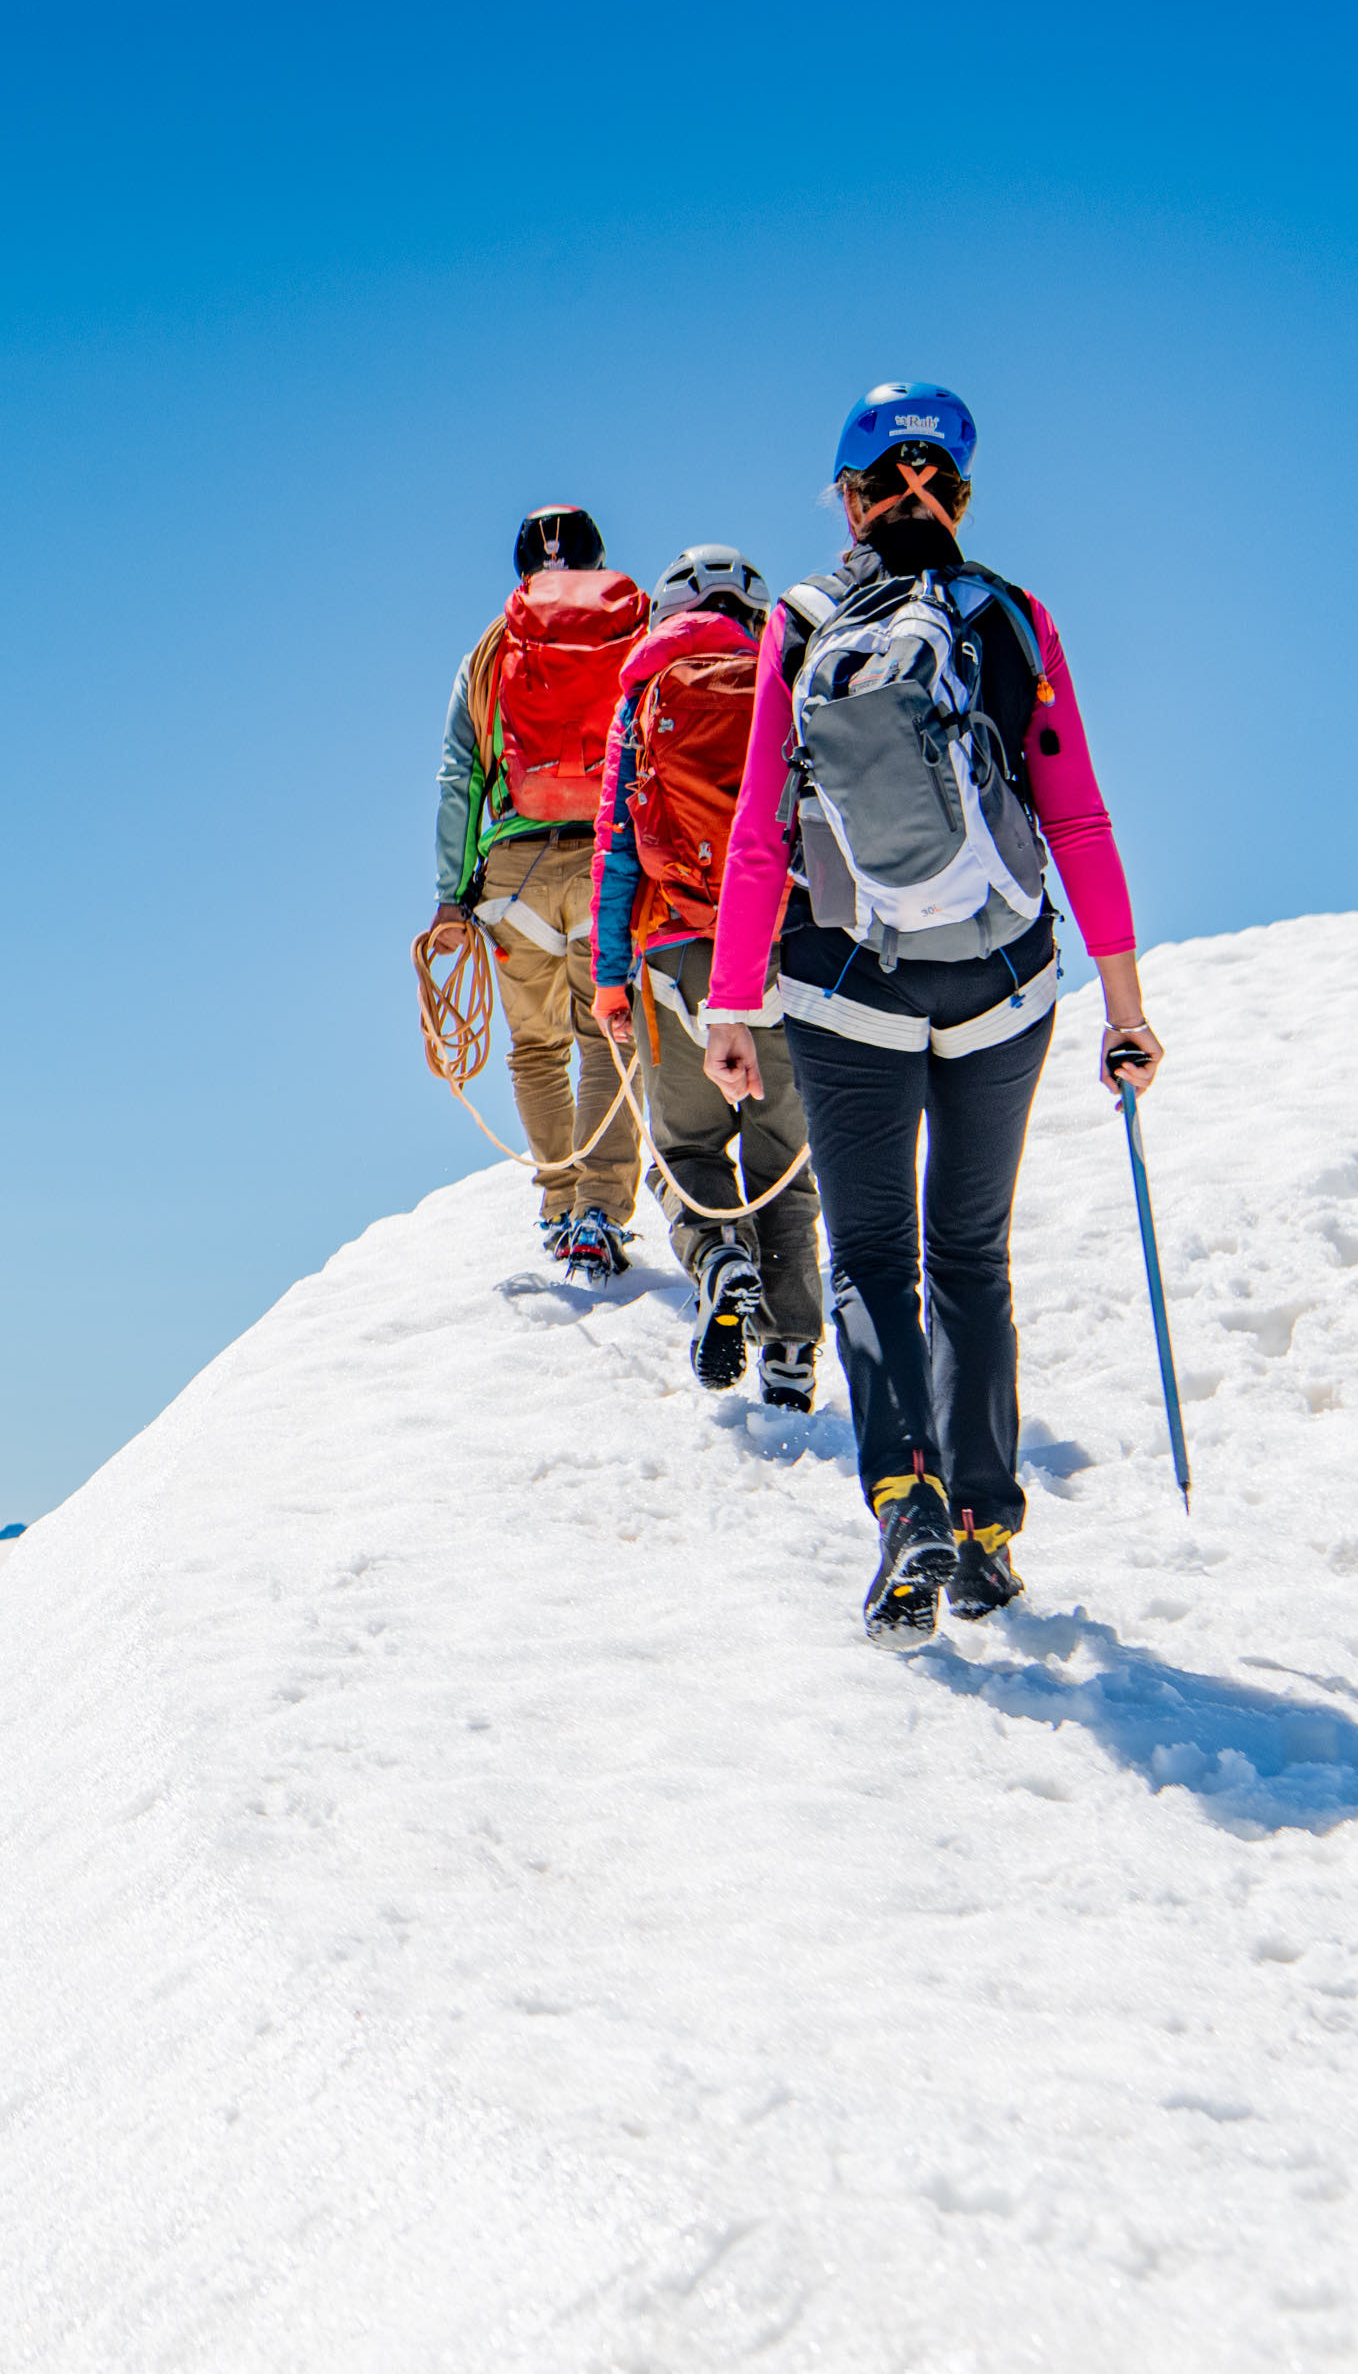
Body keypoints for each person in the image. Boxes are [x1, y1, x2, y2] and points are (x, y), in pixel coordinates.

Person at [699, 383, 1161, 1647]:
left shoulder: (797, 622)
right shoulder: (1013, 615)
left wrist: (731, 1003)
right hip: (1005, 983)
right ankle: (989, 1531)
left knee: (869, 1260)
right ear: (960, 494)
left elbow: (758, 834)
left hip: (847, 984)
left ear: (848, 498)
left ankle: (906, 1509)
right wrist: (1124, 1010)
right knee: (969, 1254)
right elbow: (1078, 816)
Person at [590, 545, 823, 1409]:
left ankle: (718, 1259)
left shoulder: (643, 695)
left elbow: (615, 852)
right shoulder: (787, 682)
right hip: (781, 947)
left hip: (673, 958)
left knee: (686, 1147)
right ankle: (792, 1350)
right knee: (784, 1162)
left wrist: (611, 978)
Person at [430, 506, 651, 1281]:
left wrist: (450, 897)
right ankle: (602, 1213)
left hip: (511, 873)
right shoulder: (635, 630)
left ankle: (558, 1208)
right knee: (609, 1039)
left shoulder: (489, 657)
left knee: (536, 1048)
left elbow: (462, 779)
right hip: (607, 863)